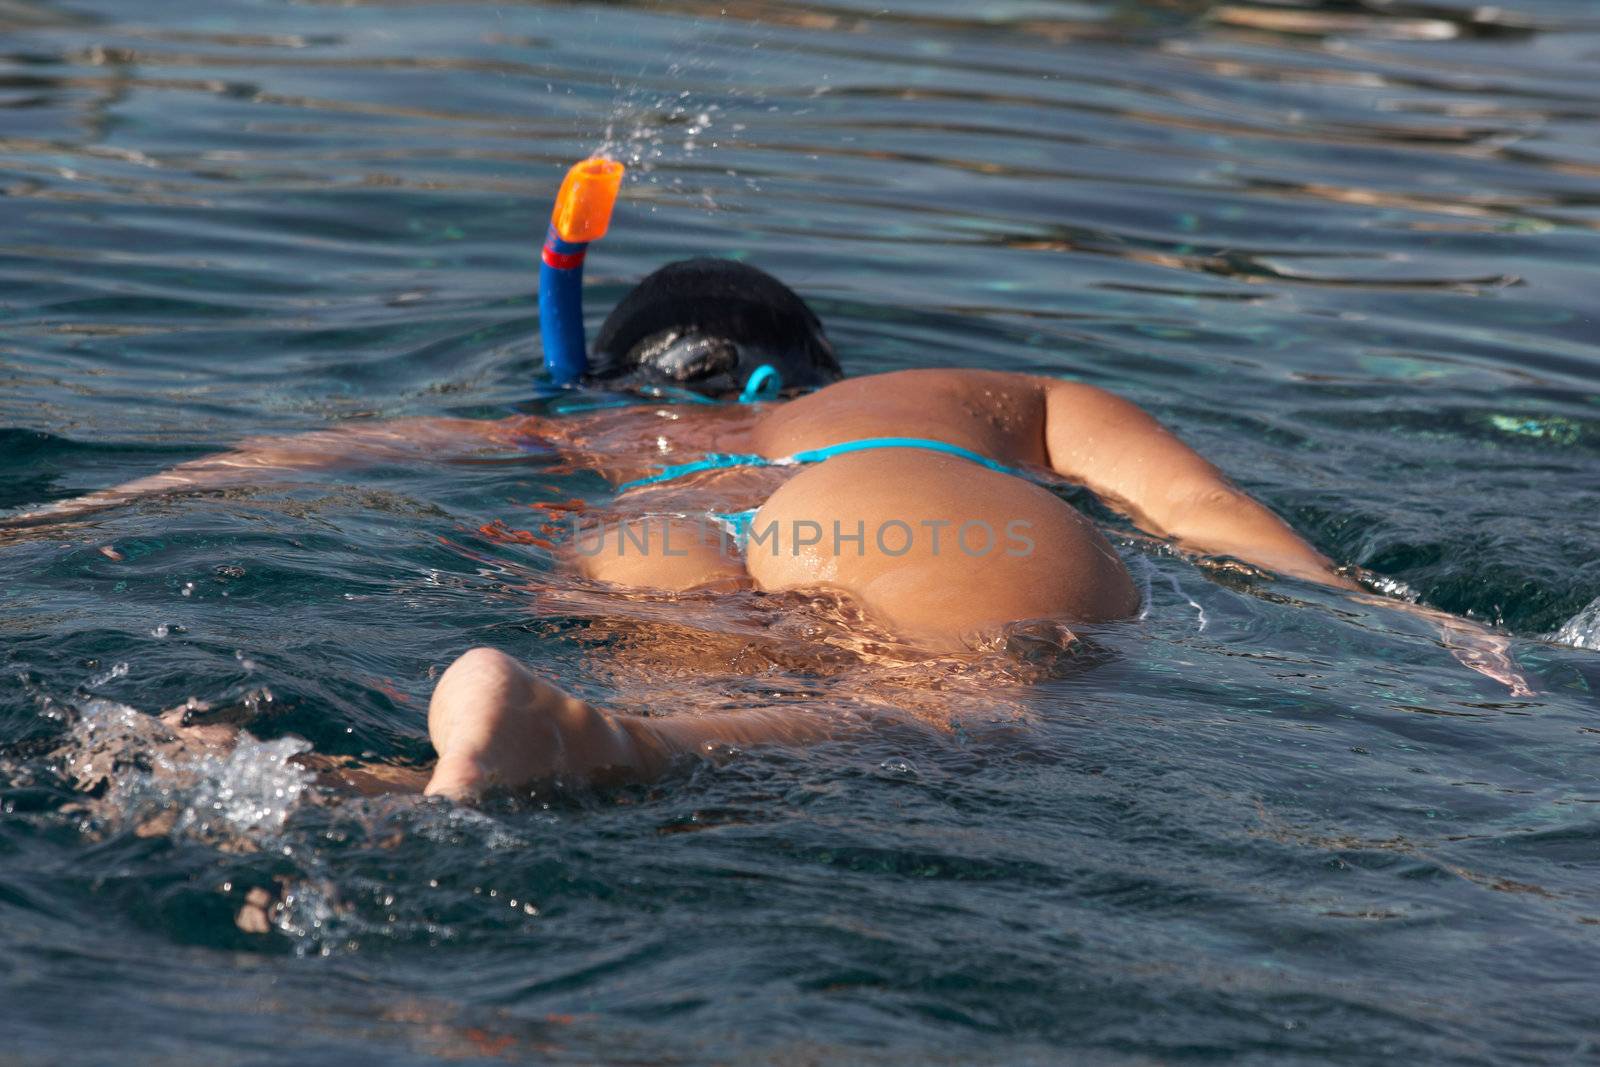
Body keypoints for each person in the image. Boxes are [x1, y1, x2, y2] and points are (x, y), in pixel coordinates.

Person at [8, 258, 1529, 799]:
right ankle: (575, 745)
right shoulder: (979, 396)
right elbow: (1201, 510)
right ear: (806, 365)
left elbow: (285, 457)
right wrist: (1403, 621)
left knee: (721, 706)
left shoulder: (579, 434)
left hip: (653, 532)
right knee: (958, 708)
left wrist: (59, 518)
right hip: (895, 502)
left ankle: (437, 772)